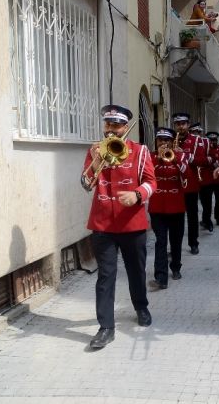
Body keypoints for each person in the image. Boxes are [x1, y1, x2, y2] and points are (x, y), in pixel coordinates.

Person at [81, 105, 157, 349]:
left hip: (131, 223)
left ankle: (141, 306)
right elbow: (86, 183)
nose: (111, 130)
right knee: (106, 275)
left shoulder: (140, 151)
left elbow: (150, 182)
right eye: (108, 125)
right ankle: (106, 327)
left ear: (126, 127)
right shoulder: (96, 150)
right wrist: (94, 161)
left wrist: (137, 195)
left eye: (116, 125)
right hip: (103, 223)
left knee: (136, 270)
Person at [148, 128, 191, 290]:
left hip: (176, 205)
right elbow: (145, 175)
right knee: (160, 241)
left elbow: (186, 176)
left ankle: (176, 267)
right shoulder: (150, 157)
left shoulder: (180, 156)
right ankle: (161, 277)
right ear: (156, 141)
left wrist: (175, 160)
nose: (163, 143)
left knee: (176, 239)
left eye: (167, 140)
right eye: (160, 140)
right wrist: (158, 159)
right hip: (157, 206)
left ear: (172, 142)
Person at [173, 115, 208, 255]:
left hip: (190, 183)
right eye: (178, 124)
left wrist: (185, 156)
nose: (180, 127)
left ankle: (193, 242)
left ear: (188, 125)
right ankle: (176, 246)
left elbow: (204, 161)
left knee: (192, 216)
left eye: (183, 124)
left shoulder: (196, 140)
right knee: (177, 218)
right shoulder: (171, 140)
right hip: (175, 184)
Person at [201, 132, 219, 228]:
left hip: (218, 180)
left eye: (214, 140)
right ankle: (205, 220)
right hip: (207, 180)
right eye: (210, 140)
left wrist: (212, 161)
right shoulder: (203, 150)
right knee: (206, 202)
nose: (212, 142)